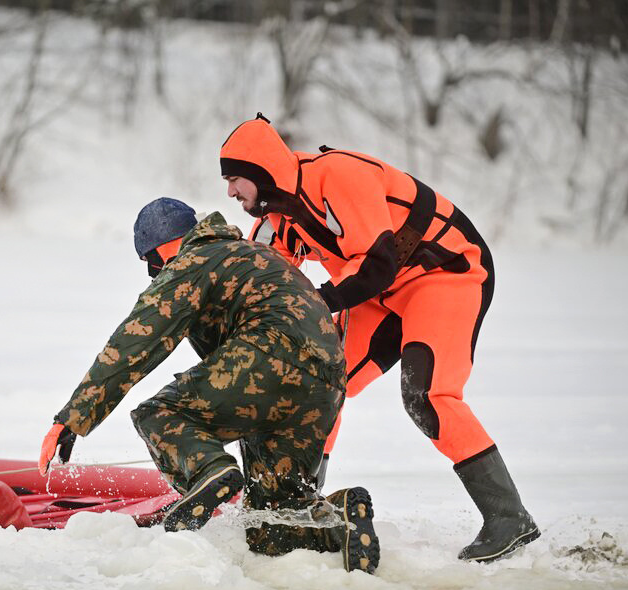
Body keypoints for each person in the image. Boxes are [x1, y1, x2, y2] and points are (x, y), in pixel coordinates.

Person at [219, 114, 539, 563]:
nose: (230, 191)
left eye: (235, 179)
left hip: (444, 272)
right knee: (317, 385)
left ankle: (509, 519)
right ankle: (297, 506)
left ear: (262, 172)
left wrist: (314, 300)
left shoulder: (339, 176)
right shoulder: (277, 216)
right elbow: (264, 277)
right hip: (379, 292)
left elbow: (375, 264)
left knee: (426, 395)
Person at [38, 197, 380, 574]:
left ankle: (210, 470)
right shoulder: (250, 254)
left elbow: (134, 343)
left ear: (157, 249)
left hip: (271, 357)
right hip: (323, 386)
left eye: (149, 264)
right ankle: (338, 522)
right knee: (271, 527)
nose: (153, 273)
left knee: (159, 414)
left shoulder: (192, 262)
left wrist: (71, 419)